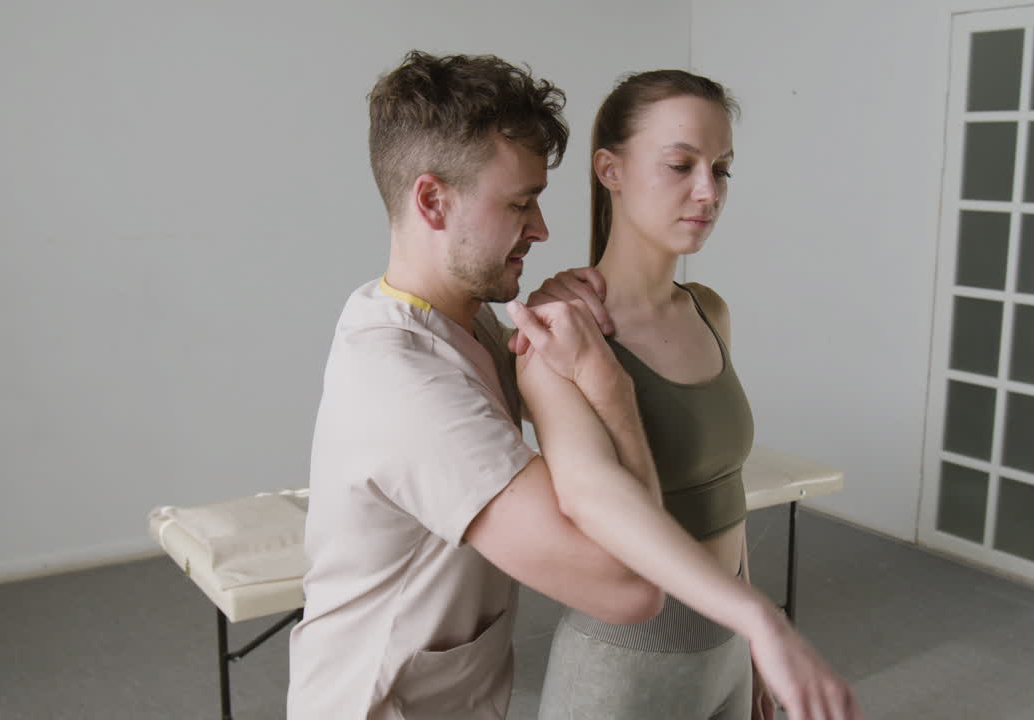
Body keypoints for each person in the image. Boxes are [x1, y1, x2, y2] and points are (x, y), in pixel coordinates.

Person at [287, 50, 857, 720]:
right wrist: (607, 384)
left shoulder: (486, 331)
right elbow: (625, 584)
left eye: (721, 169)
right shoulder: (402, 380)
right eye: (520, 203)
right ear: (433, 201)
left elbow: (711, 494)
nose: (542, 228)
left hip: (471, 694)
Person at [530, 70, 778, 720]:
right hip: (623, 666)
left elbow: (729, 494)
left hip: (725, 648)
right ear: (609, 170)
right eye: (680, 164)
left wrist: (751, 635)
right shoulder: (558, 336)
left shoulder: (710, 312)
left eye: (721, 169)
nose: (708, 191)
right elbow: (589, 500)